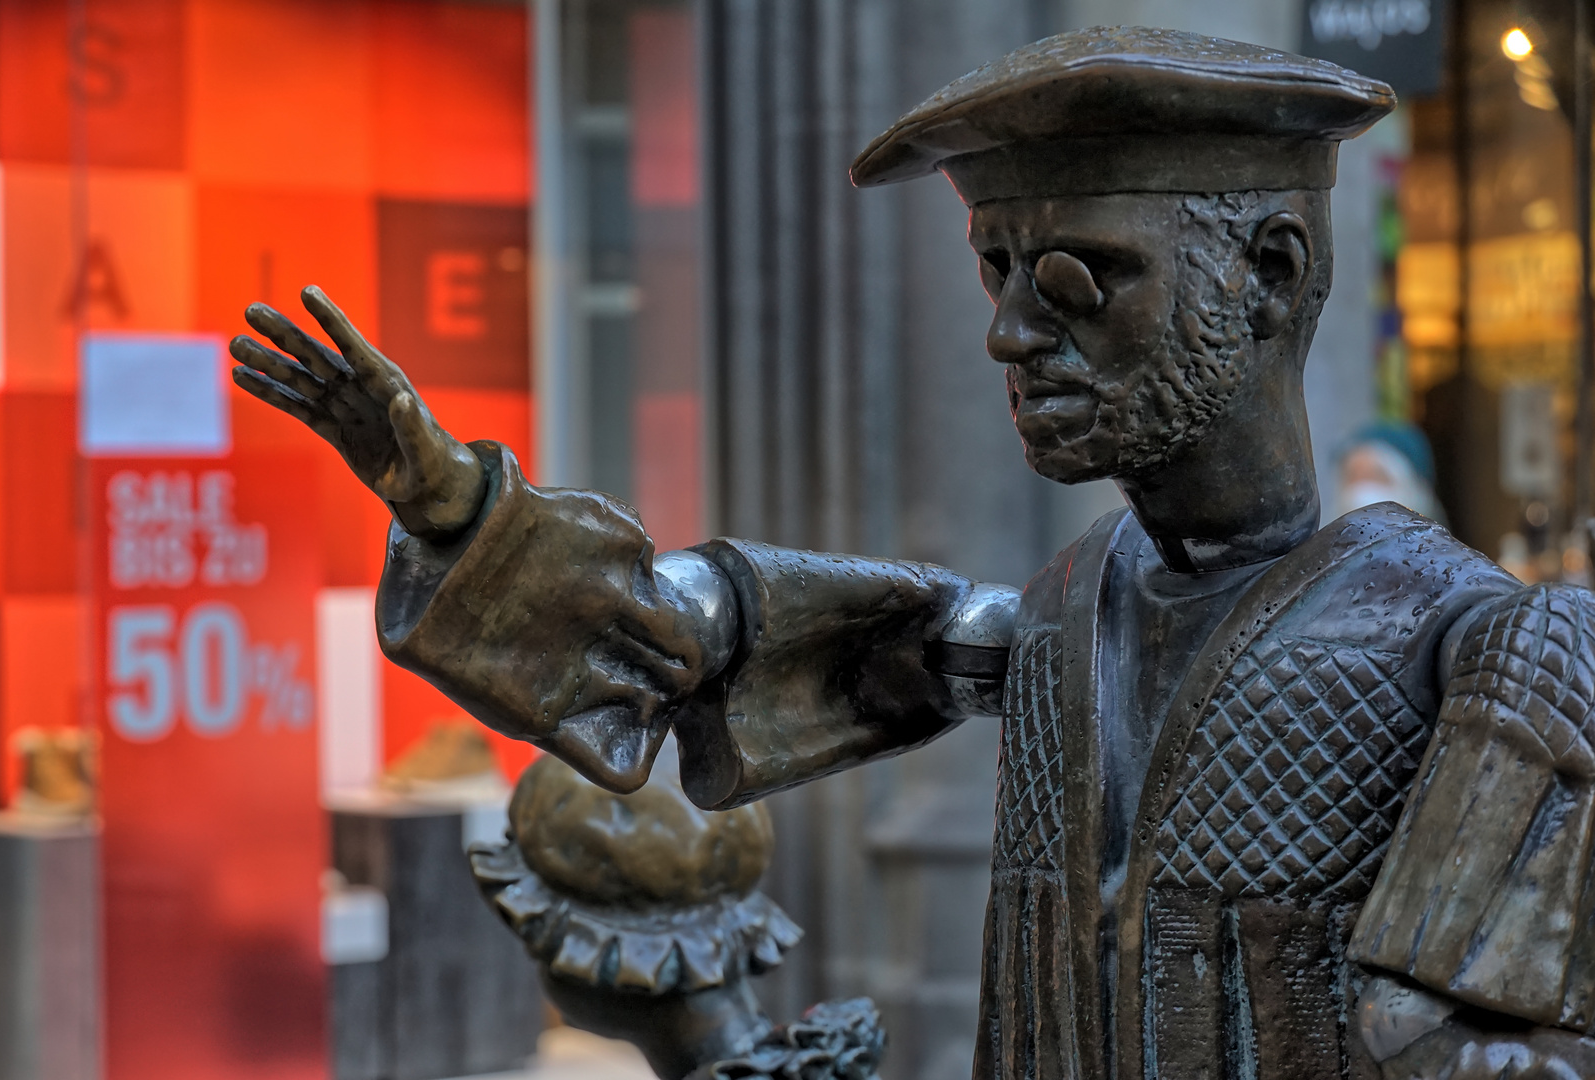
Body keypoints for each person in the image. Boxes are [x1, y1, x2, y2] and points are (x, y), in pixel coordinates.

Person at [229, 27, 1595, 1080]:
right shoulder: (1056, 620)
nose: (1009, 334)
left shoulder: (1469, 655)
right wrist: (458, 506)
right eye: (993, 273)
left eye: (1076, 278)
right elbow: (683, 638)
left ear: (1278, 275)